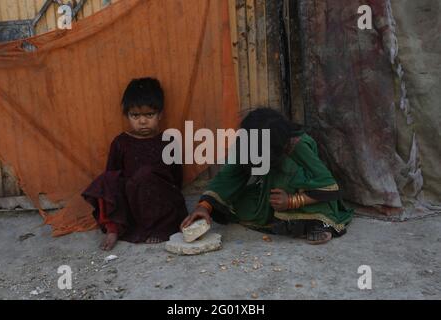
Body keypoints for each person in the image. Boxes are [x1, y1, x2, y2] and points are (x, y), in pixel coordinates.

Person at [181, 107, 353, 245]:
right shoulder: (248, 141)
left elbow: (329, 186)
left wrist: (292, 201)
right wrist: (204, 206)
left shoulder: (297, 145)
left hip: (306, 196)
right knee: (237, 203)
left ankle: (320, 224)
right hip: (271, 195)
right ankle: (278, 216)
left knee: (313, 207)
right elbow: (230, 174)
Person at [82, 78, 188, 251]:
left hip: (160, 201)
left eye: (149, 115)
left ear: (160, 114)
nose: (143, 121)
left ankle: (159, 228)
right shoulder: (121, 142)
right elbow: (112, 176)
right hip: (131, 201)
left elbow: (177, 178)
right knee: (106, 181)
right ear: (127, 116)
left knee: (147, 175)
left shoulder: (168, 141)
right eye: (135, 116)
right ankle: (115, 229)